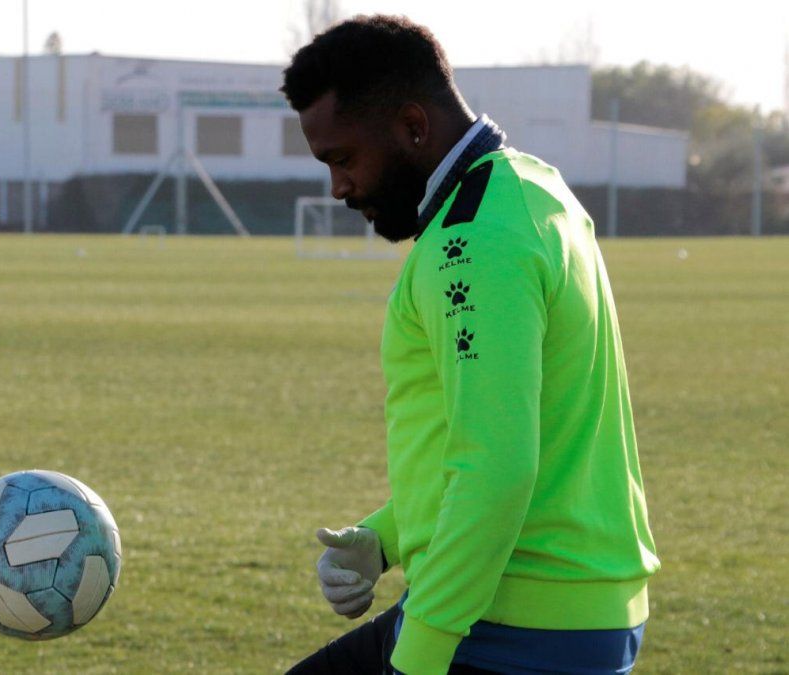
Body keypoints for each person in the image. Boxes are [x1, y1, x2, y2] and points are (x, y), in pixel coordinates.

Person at [281, 16, 659, 675]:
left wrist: (419, 656)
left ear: (413, 126)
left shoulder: (472, 240)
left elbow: (495, 469)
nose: (338, 187)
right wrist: (386, 538)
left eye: (343, 159)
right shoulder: (533, 188)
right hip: (552, 613)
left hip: (516, 629)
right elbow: (519, 438)